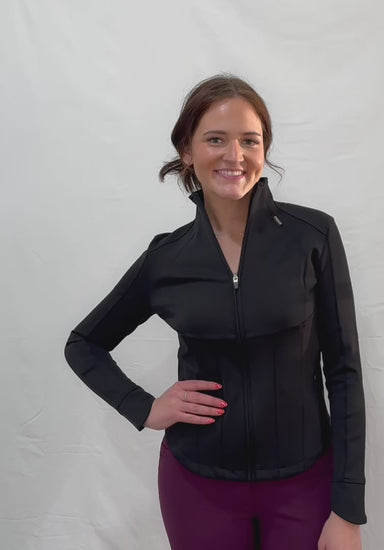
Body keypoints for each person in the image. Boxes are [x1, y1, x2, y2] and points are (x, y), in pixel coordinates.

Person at [64, 74, 366, 549]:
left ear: (264, 148)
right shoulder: (167, 258)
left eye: (250, 140)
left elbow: (344, 372)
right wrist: (144, 407)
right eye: (216, 139)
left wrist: (348, 508)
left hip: (304, 483)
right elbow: (83, 344)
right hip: (198, 487)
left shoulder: (312, 237)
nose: (234, 155)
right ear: (187, 150)